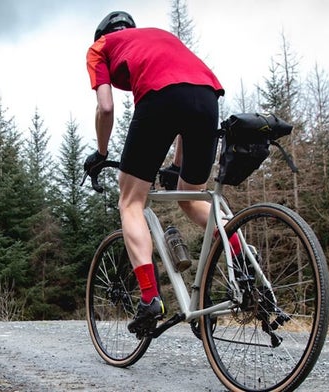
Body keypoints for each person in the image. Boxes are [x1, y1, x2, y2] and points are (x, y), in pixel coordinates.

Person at [83, 11, 225, 335]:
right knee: (192, 197)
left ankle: (150, 298)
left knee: (130, 201)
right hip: (207, 95)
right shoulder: (158, 37)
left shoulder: (100, 48)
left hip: (161, 98)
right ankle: (240, 252)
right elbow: (182, 94)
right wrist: (177, 166)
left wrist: (102, 153)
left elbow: (105, 107)